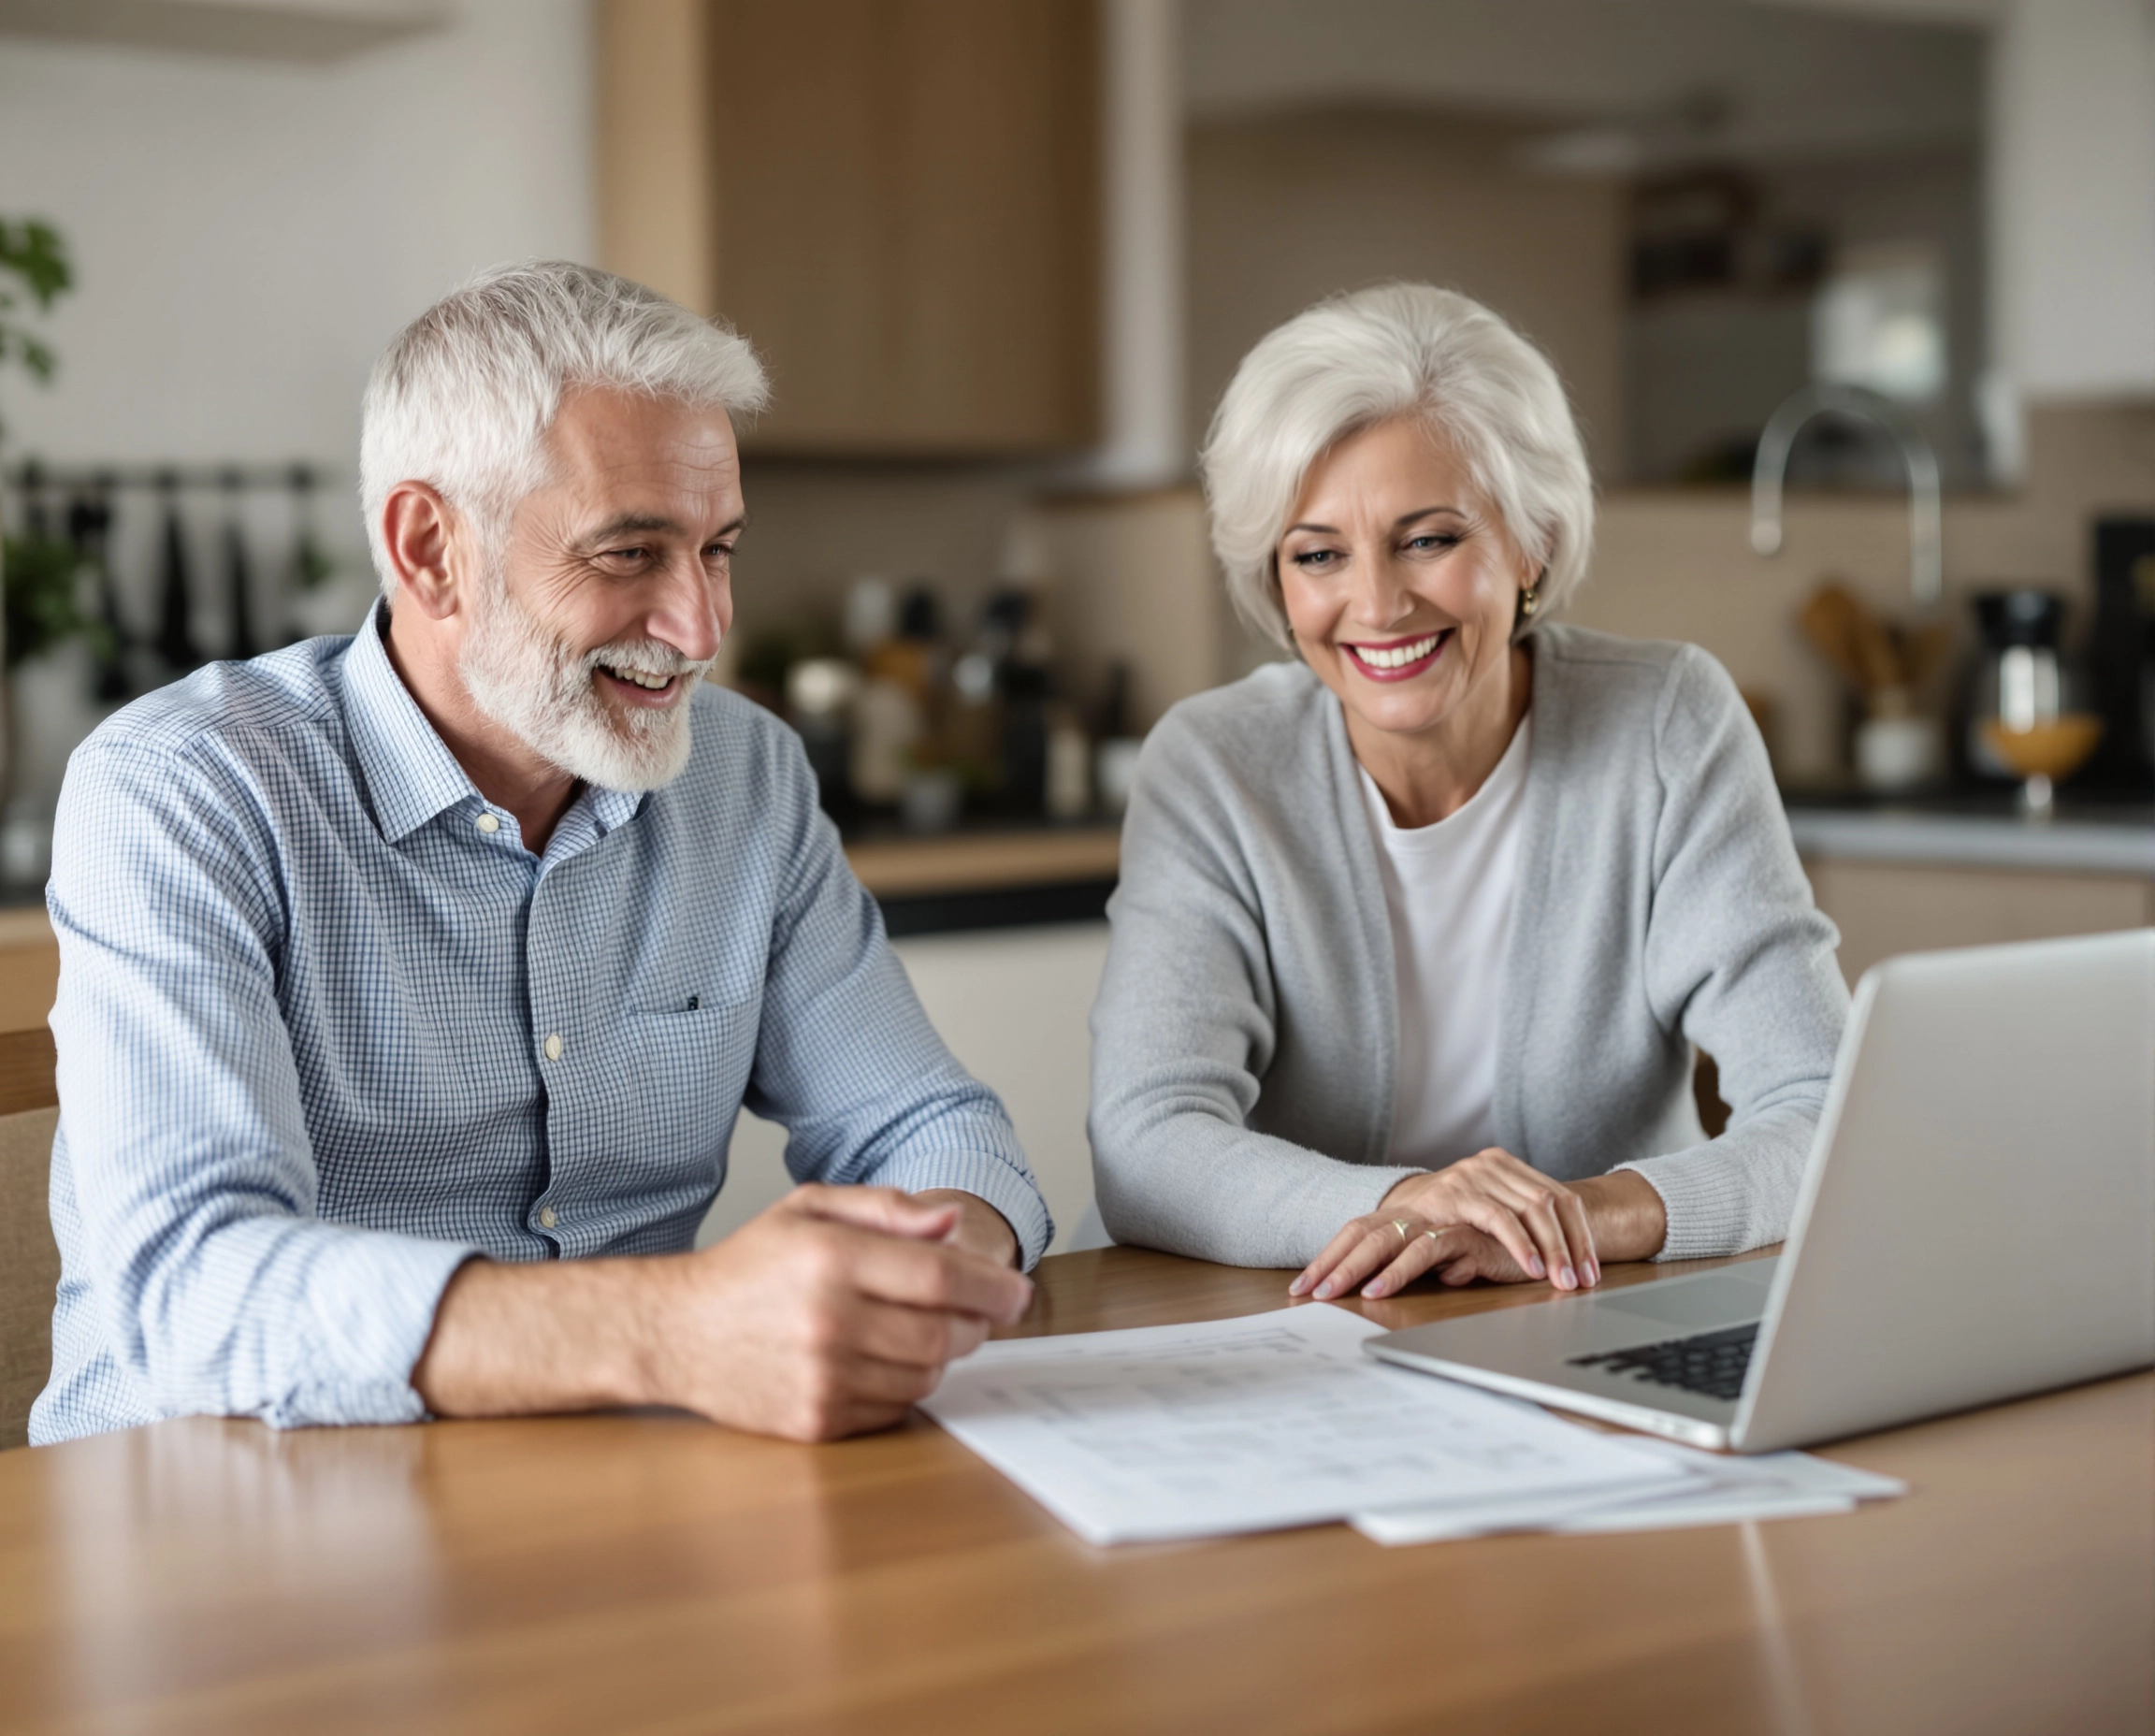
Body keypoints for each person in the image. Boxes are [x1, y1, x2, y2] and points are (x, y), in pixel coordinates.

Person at [33, 262, 1049, 1447]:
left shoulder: (746, 775)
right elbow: (196, 1295)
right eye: (630, 555)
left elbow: (925, 1125)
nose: (701, 627)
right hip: (217, 1520)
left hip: (613, 1500)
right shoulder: (182, 791)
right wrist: (678, 1323)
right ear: (430, 550)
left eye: (718, 548)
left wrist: (933, 1266)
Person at [1089, 282, 1846, 1304]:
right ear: (1277, 582)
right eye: (1319, 554)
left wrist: (1579, 1215)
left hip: (1590, 1315)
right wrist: (1425, 1207)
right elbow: (1149, 1142)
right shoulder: (1215, 764)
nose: (1378, 603)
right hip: (1281, 1330)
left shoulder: (1669, 722)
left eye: (1430, 538)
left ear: (1529, 539)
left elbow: (1821, 1108)